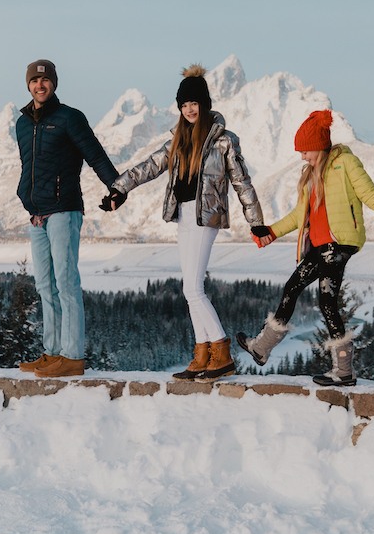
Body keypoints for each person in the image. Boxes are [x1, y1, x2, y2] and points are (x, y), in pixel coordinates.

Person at [101, 64, 269, 381]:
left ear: (204, 104)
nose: (190, 109)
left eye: (194, 103)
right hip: (184, 214)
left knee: (193, 287)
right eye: (184, 104)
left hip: (207, 215)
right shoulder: (178, 140)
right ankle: (202, 353)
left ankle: (221, 352)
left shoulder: (224, 141)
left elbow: (242, 182)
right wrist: (120, 189)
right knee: (188, 289)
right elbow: (148, 167)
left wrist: (256, 222)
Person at [237, 110, 374, 386]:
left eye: (305, 150)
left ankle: (343, 371)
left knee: (327, 301)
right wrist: (270, 233)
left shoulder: (345, 164)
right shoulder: (310, 175)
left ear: (318, 145)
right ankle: (261, 348)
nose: (302, 156)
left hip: (339, 244)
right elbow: (298, 216)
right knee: (292, 289)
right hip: (319, 247)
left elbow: (369, 193)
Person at [16, 59, 120, 379]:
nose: (40, 85)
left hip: (64, 210)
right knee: (46, 286)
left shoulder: (70, 118)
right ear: (28, 85)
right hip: (37, 216)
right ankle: (52, 352)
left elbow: (95, 154)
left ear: (54, 84)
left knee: (66, 282)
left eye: (45, 81)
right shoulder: (22, 123)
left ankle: (72, 355)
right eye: (34, 81)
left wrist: (116, 187)